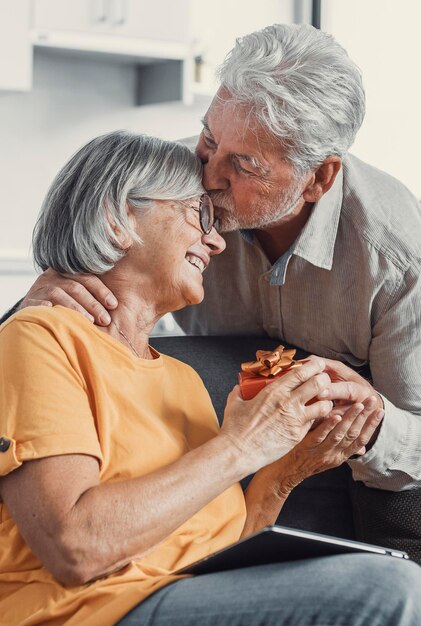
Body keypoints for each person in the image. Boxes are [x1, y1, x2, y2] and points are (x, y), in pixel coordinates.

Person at [1, 130, 419, 626]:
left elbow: (219, 556)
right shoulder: (41, 337)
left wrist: (288, 467)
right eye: (200, 215)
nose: (218, 240)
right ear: (117, 219)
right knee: (387, 591)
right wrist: (243, 442)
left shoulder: (182, 379)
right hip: (86, 611)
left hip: (181, 598)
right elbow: (77, 546)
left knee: (384, 575)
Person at [13, 24, 421, 495]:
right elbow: (52, 345)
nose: (207, 176)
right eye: (209, 139)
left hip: (344, 463)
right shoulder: (168, 192)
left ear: (318, 179)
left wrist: (367, 430)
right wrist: (37, 301)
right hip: (207, 442)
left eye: (244, 165)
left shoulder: (399, 257)